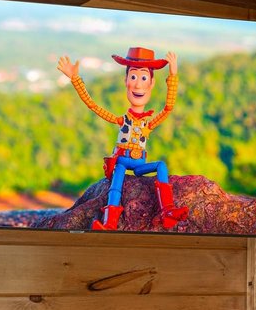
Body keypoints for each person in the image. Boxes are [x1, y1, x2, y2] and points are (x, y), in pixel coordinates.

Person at [56, 46, 190, 231]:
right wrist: (75, 79)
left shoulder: (147, 124)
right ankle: (109, 222)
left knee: (161, 166)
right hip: (122, 161)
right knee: (119, 169)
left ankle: (167, 211)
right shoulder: (123, 120)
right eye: (133, 77)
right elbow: (94, 106)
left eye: (143, 78)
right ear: (126, 80)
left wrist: (173, 74)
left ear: (151, 83)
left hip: (139, 164)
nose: (137, 84)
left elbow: (168, 108)